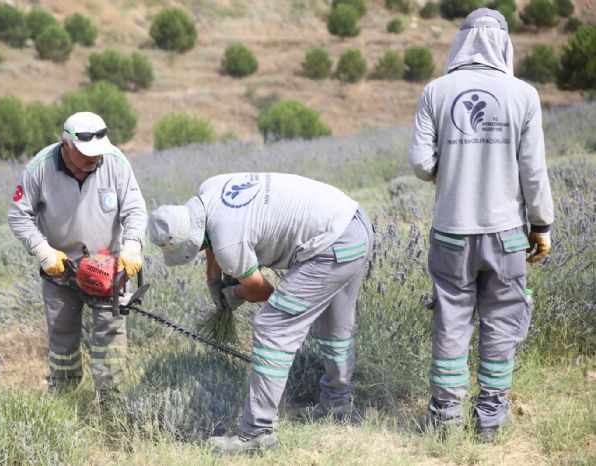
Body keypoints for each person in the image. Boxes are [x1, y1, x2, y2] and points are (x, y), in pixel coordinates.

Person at [147, 172, 374, 454]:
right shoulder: (209, 189)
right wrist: (212, 281)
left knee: (272, 328)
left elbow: (264, 292)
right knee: (334, 327)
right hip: (354, 224)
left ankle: (257, 432)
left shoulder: (228, 243)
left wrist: (230, 296)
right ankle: (338, 405)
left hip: (332, 245)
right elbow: (210, 241)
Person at [407, 8, 554, 441]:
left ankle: (444, 418)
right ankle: (489, 421)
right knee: (502, 319)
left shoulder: (436, 91)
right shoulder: (523, 95)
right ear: (504, 45)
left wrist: (444, 169)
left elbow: (418, 162)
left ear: (462, 41)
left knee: (451, 319)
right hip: (506, 233)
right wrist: (541, 226)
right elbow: (534, 172)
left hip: (451, 231)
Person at [8, 111, 147, 398]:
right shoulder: (40, 168)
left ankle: (112, 400)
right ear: (66, 145)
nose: (93, 160)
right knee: (62, 336)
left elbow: (135, 209)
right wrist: (43, 251)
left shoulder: (116, 162)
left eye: (97, 155)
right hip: (61, 270)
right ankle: (64, 396)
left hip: (109, 268)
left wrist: (133, 246)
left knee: (110, 337)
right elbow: (18, 216)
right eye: (86, 155)